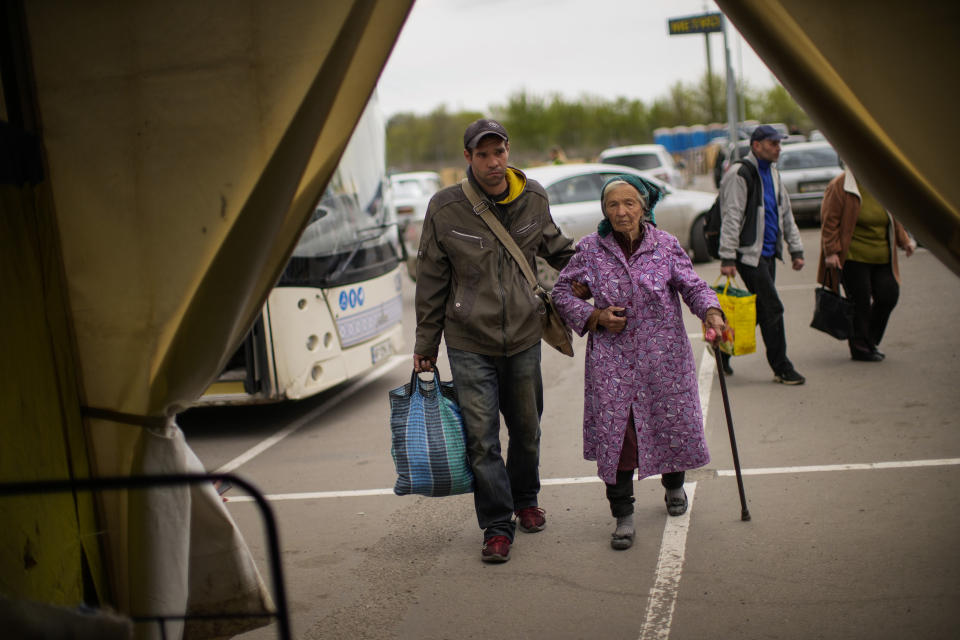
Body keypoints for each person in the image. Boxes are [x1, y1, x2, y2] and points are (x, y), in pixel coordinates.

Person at [413, 118, 575, 564]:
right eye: (482, 155)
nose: (492, 162)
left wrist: (613, 263)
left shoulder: (533, 197)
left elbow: (560, 251)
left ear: (508, 151)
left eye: (498, 152)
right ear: (468, 158)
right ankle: (497, 525)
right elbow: (431, 280)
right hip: (468, 340)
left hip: (523, 335)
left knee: (526, 430)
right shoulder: (445, 208)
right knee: (482, 440)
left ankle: (526, 500)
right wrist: (426, 344)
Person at [551, 173, 727, 550]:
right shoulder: (590, 250)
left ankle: (674, 486)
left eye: (629, 203)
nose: (621, 211)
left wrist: (711, 311)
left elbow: (692, 285)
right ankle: (623, 515)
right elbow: (561, 293)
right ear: (604, 211)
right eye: (613, 205)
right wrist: (595, 317)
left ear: (644, 208)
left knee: (670, 422)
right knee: (619, 437)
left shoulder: (665, 245)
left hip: (664, 358)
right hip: (613, 365)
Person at [717, 124, 806, 384]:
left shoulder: (774, 174)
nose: (779, 148)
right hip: (747, 255)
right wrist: (728, 257)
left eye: (780, 143)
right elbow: (732, 216)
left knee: (757, 309)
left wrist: (796, 248)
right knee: (773, 308)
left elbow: (784, 213)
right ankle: (782, 368)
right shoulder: (740, 174)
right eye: (773, 143)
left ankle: (723, 352)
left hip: (767, 254)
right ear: (757, 146)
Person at [818, 166, 916, 361]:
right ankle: (860, 346)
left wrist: (904, 241)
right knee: (860, 301)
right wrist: (831, 251)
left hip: (882, 255)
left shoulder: (882, 185)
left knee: (889, 295)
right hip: (853, 255)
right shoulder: (841, 185)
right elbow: (830, 220)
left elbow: (893, 217)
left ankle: (868, 339)